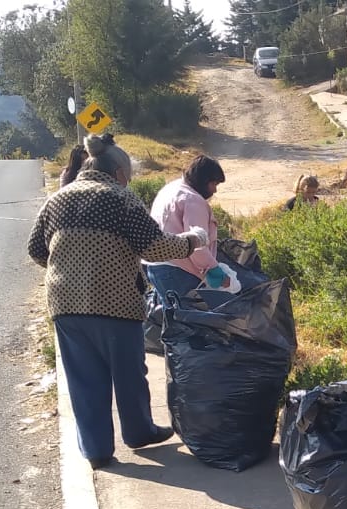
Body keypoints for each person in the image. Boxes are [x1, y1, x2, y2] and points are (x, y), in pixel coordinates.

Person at [27, 134, 209, 470]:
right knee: (127, 372)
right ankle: (139, 432)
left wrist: (69, 266)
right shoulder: (121, 199)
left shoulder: (57, 199)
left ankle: (97, 451)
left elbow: (37, 250)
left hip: (65, 304)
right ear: (120, 173)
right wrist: (193, 241)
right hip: (115, 302)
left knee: (84, 378)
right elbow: (156, 247)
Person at [149, 154, 226, 280]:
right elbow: (197, 244)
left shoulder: (171, 188)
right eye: (214, 184)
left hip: (155, 266)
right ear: (203, 180)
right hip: (178, 270)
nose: (215, 190)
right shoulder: (193, 201)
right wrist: (215, 271)